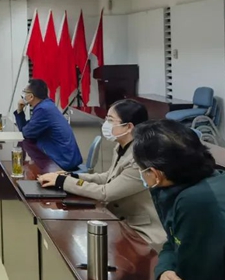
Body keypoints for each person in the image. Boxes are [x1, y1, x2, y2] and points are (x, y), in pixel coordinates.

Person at [134, 119, 225, 280]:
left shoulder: (196, 201)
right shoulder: (200, 182)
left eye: (141, 168)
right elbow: (173, 242)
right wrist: (164, 272)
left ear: (154, 173)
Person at [38, 100, 165, 250]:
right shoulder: (121, 147)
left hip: (142, 232)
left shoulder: (140, 159)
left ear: (129, 126)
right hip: (120, 220)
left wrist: (62, 181)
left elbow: (106, 193)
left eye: (111, 120)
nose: (106, 124)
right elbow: (107, 177)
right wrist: (72, 176)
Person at [14, 79, 83, 171]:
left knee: (26, 142)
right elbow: (26, 129)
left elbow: (25, 133)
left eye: (25, 92)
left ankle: (40, 171)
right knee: (27, 141)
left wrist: (20, 114)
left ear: (31, 96)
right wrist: (20, 111)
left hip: (63, 161)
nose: (23, 95)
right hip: (66, 157)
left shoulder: (43, 110)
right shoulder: (46, 106)